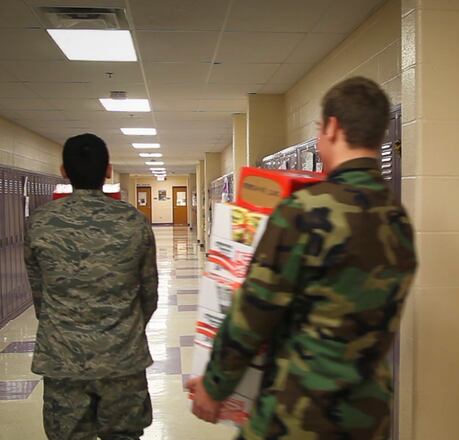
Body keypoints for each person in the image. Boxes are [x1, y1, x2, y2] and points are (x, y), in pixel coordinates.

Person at [188, 76, 418, 439]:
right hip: (368, 418)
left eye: (319, 128)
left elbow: (254, 311)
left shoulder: (305, 210)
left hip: (298, 415)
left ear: (332, 127)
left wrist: (215, 385)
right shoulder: (398, 219)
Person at [24, 133, 158, 440]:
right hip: (122, 359)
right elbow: (149, 294)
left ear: (63, 171)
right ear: (108, 171)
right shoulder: (134, 221)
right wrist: (123, 330)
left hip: (62, 360)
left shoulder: (40, 223)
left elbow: (39, 295)